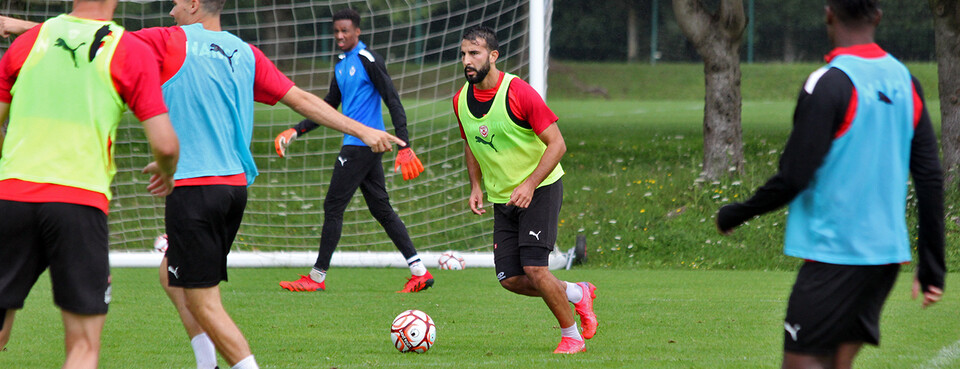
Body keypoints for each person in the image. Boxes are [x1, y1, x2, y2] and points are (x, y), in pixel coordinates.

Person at [0, 0, 404, 368]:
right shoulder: (246, 53)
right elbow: (301, 100)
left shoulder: (167, 41)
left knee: (202, 299)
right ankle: (205, 363)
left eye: (176, 2)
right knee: (170, 275)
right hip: (233, 191)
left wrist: (13, 24)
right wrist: (363, 131)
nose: (171, 9)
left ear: (194, 4)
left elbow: (88, 33)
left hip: (193, 187)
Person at [715, 1, 945, 368]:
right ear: (878, 17)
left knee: (802, 363)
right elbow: (930, 177)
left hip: (834, 257)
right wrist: (933, 265)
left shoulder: (828, 82)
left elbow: (794, 175)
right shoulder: (906, 81)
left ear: (828, 14)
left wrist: (736, 212)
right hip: (883, 260)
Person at [0, 0, 179, 367]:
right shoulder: (128, 48)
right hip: (78, 203)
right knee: (83, 346)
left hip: (11, 197)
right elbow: (164, 144)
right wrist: (167, 169)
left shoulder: (30, 40)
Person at [453, 26, 597, 354]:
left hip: (541, 187)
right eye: (463, 54)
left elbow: (557, 144)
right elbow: (471, 145)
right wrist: (475, 185)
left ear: (493, 56)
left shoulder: (518, 92)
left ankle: (572, 337)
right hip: (502, 197)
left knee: (536, 268)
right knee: (511, 279)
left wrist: (530, 184)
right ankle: (577, 293)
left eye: (474, 54)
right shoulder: (460, 99)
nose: (467, 61)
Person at [275, 8, 431, 294]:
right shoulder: (341, 64)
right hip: (361, 148)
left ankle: (317, 277)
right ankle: (419, 270)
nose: (339, 36)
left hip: (360, 147)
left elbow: (393, 100)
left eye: (345, 31)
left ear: (357, 31)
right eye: (336, 31)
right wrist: (296, 130)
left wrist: (405, 144)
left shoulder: (367, 60)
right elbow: (327, 107)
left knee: (333, 207)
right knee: (381, 209)